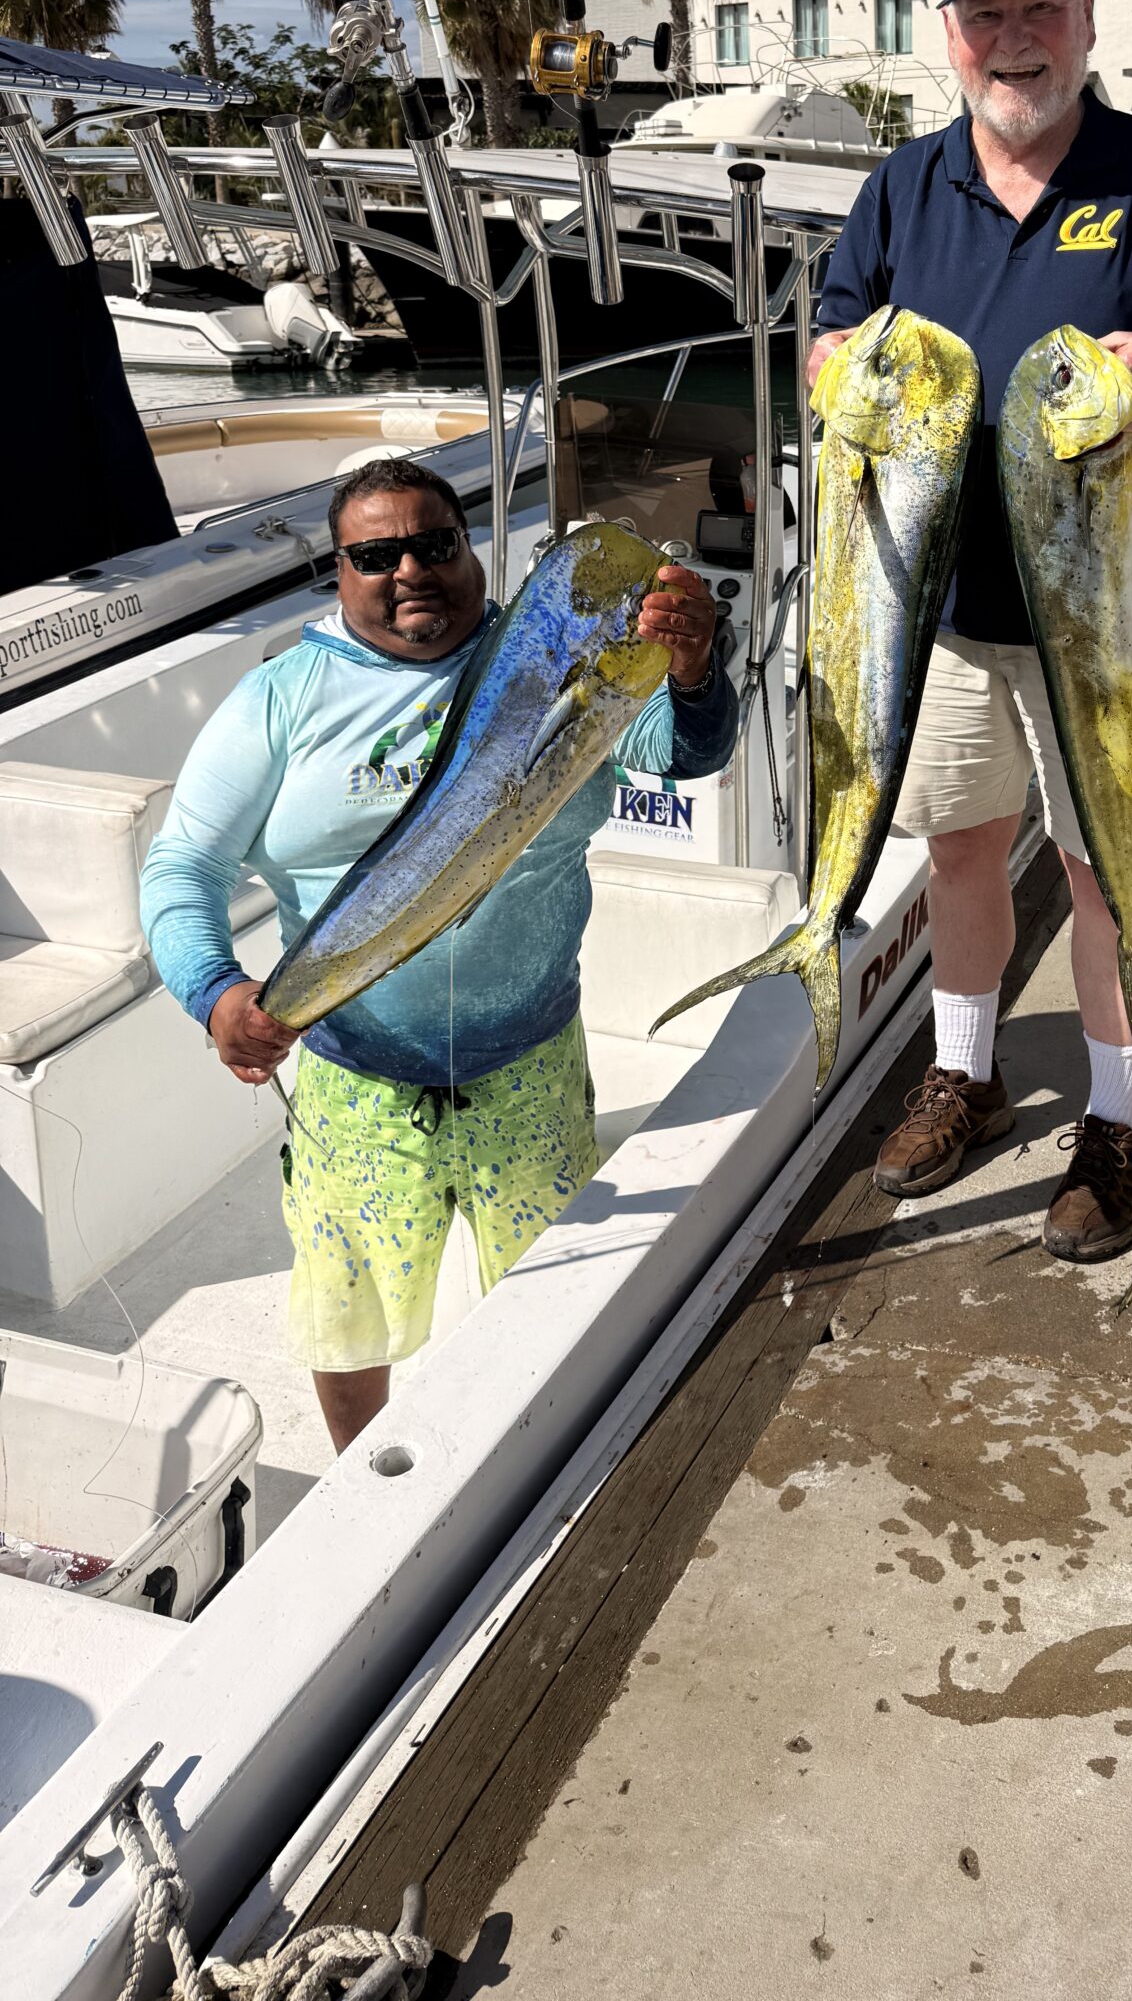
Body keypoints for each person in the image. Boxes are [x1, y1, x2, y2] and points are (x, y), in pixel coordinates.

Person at [809, 0, 1132, 1259]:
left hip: (1112, 618)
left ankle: (1121, 1116)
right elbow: (828, 342)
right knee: (957, 848)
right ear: (949, 38)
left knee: (1102, 875)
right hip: (937, 615)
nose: (1014, 38)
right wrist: (835, 371)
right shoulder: (904, 183)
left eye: (1039, 8)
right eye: (986, 16)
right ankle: (965, 1071)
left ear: (1086, 17)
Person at [141, 457, 739, 1452]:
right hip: (355, 1083)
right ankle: (359, 1483)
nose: (408, 567)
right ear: (338, 571)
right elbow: (181, 870)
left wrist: (693, 670)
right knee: (347, 1316)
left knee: (553, 1297)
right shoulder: (279, 701)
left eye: (435, 543)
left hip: (531, 1067)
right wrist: (216, 993)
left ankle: (550, 1455)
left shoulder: (555, 651)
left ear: (471, 551)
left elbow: (683, 751)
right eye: (376, 553)